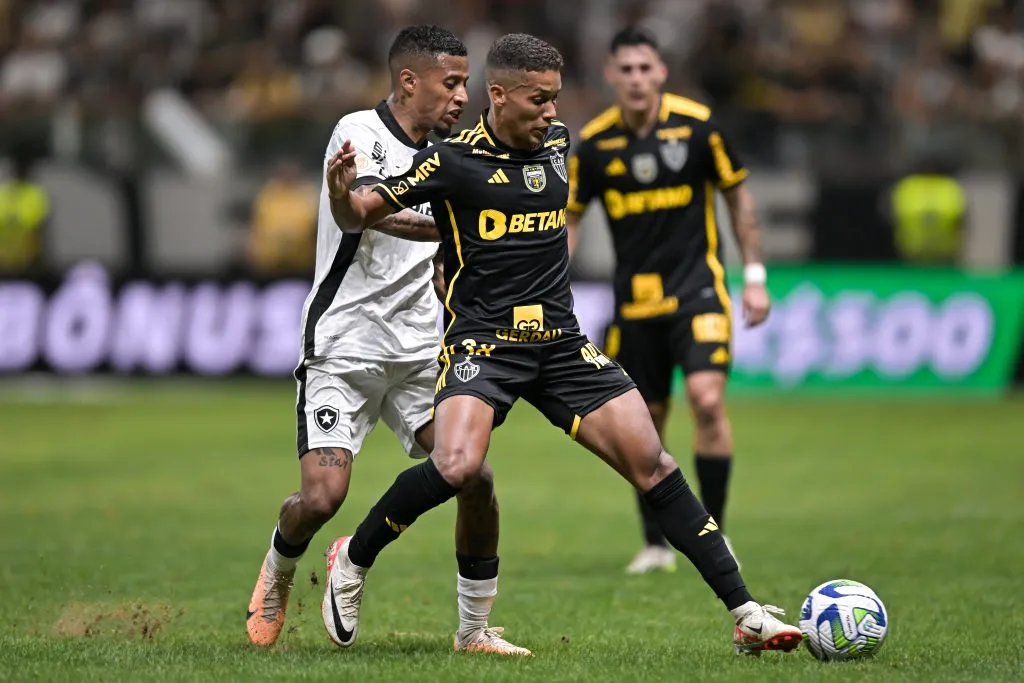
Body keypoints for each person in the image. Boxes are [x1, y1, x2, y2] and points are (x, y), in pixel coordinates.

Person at [322, 32, 802, 656]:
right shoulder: (452, 161)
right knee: (458, 466)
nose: (552, 112)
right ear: (499, 95)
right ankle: (353, 558)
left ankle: (746, 614)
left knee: (654, 465)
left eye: (555, 97)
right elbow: (358, 213)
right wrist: (342, 192)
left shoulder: (557, 144)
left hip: (560, 345)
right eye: (538, 99)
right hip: (485, 345)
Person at [247, 25, 528, 657]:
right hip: (343, 345)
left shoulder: (452, 153)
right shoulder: (359, 133)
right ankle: (280, 567)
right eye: (450, 83)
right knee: (322, 498)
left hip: (419, 350)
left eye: (465, 84)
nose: (462, 97)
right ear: (408, 80)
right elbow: (366, 209)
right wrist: (459, 222)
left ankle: (474, 629)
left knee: (475, 477)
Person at [566, 27, 771, 575]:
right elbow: (569, 219)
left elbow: (738, 197)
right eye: (626, 70)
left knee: (706, 400)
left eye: (645, 68)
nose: (636, 79)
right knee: (646, 421)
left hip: (697, 290)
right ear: (611, 75)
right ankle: (656, 544)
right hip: (634, 305)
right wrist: (551, 282)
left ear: (661, 72)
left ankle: (716, 533)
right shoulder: (595, 145)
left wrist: (754, 275)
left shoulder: (698, 127)